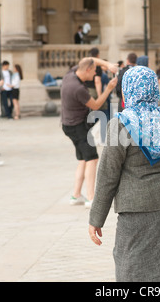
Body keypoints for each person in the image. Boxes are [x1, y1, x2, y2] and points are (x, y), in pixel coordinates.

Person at [89, 66, 160, 282]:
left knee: (133, 268)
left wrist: (96, 218)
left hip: (136, 212)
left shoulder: (120, 123)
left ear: (127, 92)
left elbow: (108, 175)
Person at [61, 57, 118, 209]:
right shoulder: (78, 89)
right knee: (92, 159)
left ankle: (76, 195)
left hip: (68, 125)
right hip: (78, 127)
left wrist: (107, 65)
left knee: (83, 159)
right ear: (87, 70)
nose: (94, 74)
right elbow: (96, 105)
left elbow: (88, 59)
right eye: (93, 71)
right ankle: (91, 198)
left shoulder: (70, 74)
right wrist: (109, 88)